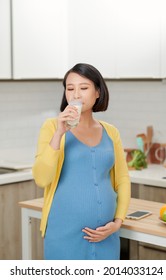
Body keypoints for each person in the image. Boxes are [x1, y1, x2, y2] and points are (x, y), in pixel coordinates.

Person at [32, 63, 131, 260]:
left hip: (106, 236)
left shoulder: (111, 132)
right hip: (64, 236)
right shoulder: (52, 127)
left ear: (97, 92)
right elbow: (41, 178)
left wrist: (117, 222)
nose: (76, 94)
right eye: (70, 88)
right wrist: (60, 133)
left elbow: (122, 179)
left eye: (84, 88)